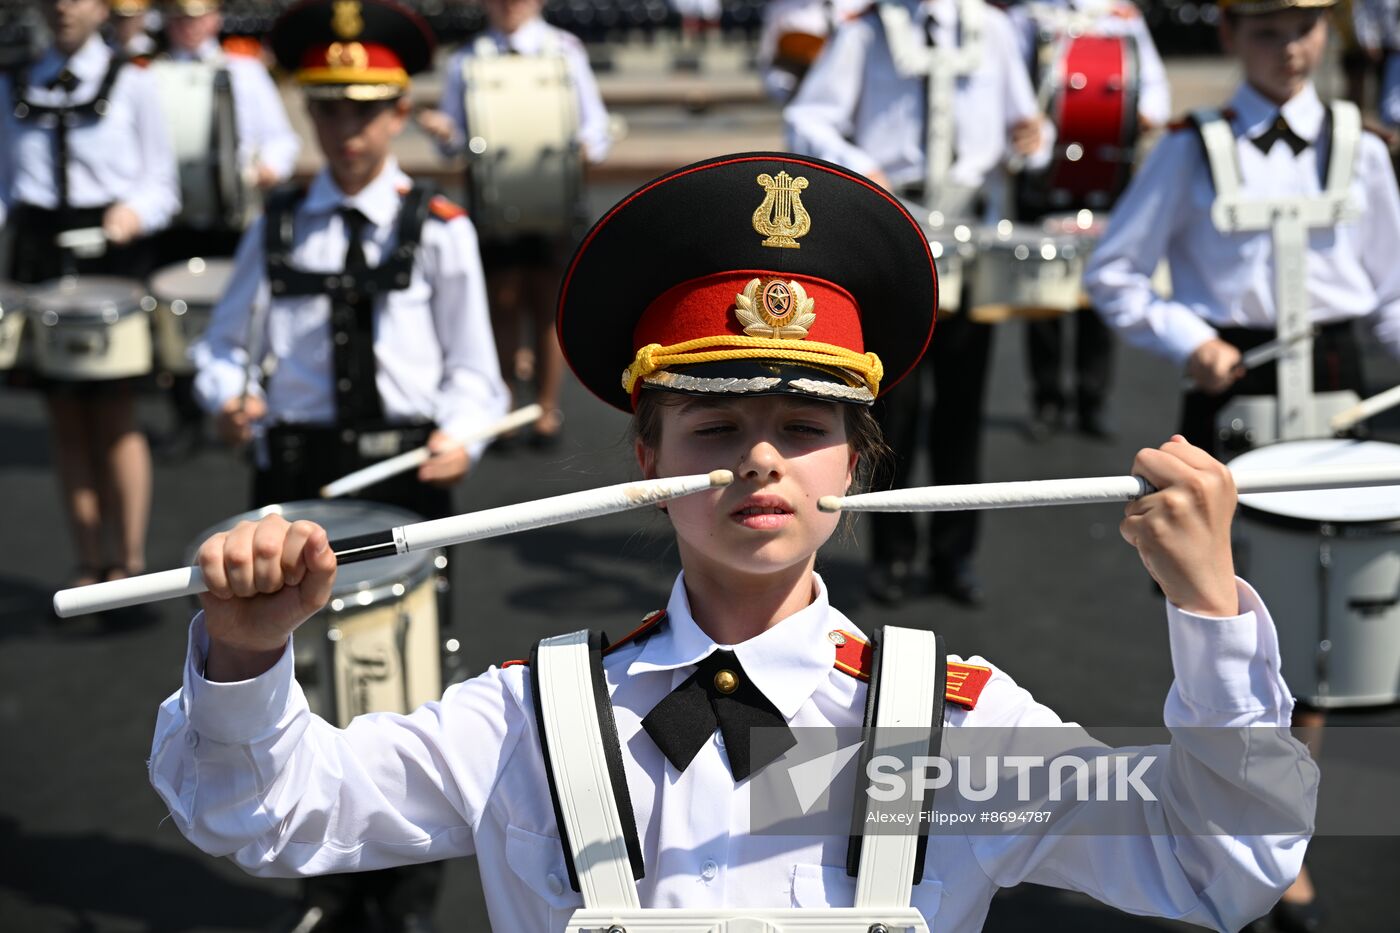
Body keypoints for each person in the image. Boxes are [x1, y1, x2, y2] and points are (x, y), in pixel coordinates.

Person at [151, 150, 1317, 933]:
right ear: (647, 464)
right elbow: (268, 814)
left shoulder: (948, 726)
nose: (759, 459)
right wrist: (247, 661)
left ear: (854, 466)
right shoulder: (527, 718)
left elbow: (1216, 864)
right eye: (714, 425)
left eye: (804, 428)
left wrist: (1211, 615)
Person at [189, 2, 508, 926]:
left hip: (406, 479)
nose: (347, 130)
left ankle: (406, 891)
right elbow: (222, 344)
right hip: (291, 482)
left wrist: (464, 434)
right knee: (306, 681)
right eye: (327, 109)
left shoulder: (441, 224)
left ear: (400, 111)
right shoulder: (281, 219)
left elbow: (475, 375)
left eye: (365, 109)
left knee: (404, 682)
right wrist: (228, 393)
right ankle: (326, 887)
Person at [1083, 2, 1400, 928]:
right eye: (1266, 29)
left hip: (1340, 393)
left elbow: (1388, 293)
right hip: (1232, 402)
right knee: (1230, 626)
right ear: (1230, 37)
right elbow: (1117, 274)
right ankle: (1231, 828)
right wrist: (1191, 338)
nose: (1291, 48)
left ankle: (1275, 844)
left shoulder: (1365, 148)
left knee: (1323, 628)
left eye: (1306, 28)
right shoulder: (1190, 148)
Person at [783, 0, 1048, 607]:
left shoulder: (996, 27)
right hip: (895, 224)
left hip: (970, 227)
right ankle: (893, 555)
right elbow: (808, 116)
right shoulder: (870, 31)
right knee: (893, 409)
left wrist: (1036, 141)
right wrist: (862, 168)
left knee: (963, 404)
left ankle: (954, 554)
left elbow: (1026, 124)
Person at [0, 0, 179, 593]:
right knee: (65, 418)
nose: (61, 9)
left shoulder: (134, 79)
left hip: (111, 256)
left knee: (115, 414)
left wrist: (135, 213)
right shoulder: (16, 81)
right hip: (40, 259)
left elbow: (162, 185)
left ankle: (127, 562)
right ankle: (85, 560)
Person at [417, 0, 611, 448]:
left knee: (547, 305)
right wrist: (446, 134)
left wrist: (581, 148)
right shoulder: (467, 59)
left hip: (552, 201)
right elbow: (457, 143)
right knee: (500, 302)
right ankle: (502, 407)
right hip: (493, 202)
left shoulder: (565, 51)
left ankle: (546, 408)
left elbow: (596, 126)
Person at [1007, 0, 1170, 441]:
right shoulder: (1028, 16)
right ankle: (1046, 399)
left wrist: (1137, 116)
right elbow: (1011, 84)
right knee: (1040, 294)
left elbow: (1152, 84)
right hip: (1042, 177)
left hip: (1107, 173)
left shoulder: (1123, 17)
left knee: (1098, 288)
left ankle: (1092, 399)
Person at [756, 0, 866, 102]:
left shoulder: (860, 6)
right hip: (805, 97)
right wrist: (790, 94)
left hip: (854, 92)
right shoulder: (782, 9)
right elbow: (768, 61)